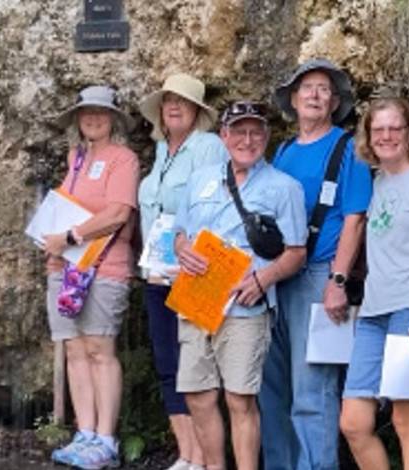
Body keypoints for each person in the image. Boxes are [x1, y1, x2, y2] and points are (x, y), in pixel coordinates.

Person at [172, 101, 307, 470]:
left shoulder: (285, 188)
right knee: (197, 394)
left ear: (266, 136)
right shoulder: (200, 179)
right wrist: (182, 248)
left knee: (240, 399)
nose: (247, 140)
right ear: (224, 135)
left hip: (245, 306)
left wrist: (263, 279)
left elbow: (296, 252)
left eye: (255, 132)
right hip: (197, 299)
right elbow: (180, 232)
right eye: (239, 131)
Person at [259, 58, 370, 470]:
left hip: (319, 275)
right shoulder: (283, 151)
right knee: (272, 389)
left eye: (324, 89)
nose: (315, 95)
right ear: (293, 99)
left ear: (335, 102)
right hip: (278, 277)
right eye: (307, 88)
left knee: (313, 390)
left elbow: (355, 219)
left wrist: (337, 280)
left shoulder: (348, 149)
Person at [338, 97, 409, 470]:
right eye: (378, 130)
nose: (386, 136)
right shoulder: (379, 182)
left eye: (394, 128)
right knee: (354, 423)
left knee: (406, 421)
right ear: (368, 137)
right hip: (374, 310)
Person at [43, 85, 140, 470]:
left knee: (100, 350)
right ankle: (84, 433)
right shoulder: (76, 157)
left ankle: (105, 438)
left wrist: (70, 236)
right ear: (78, 119)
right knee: (75, 350)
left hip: (104, 266)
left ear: (113, 118)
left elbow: (118, 214)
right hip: (65, 268)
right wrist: (51, 241)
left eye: (101, 112)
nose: (93, 118)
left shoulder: (123, 159)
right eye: (86, 112)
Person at [135, 73, 227, 470]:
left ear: (197, 110)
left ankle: (207, 459)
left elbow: (216, 206)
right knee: (168, 365)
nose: (174, 106)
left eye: (183, 101)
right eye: (168, 100)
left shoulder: (208, 147)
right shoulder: (161, 150)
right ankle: (187, 454)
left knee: (197, 369)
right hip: (156, 273)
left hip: (193, 272)